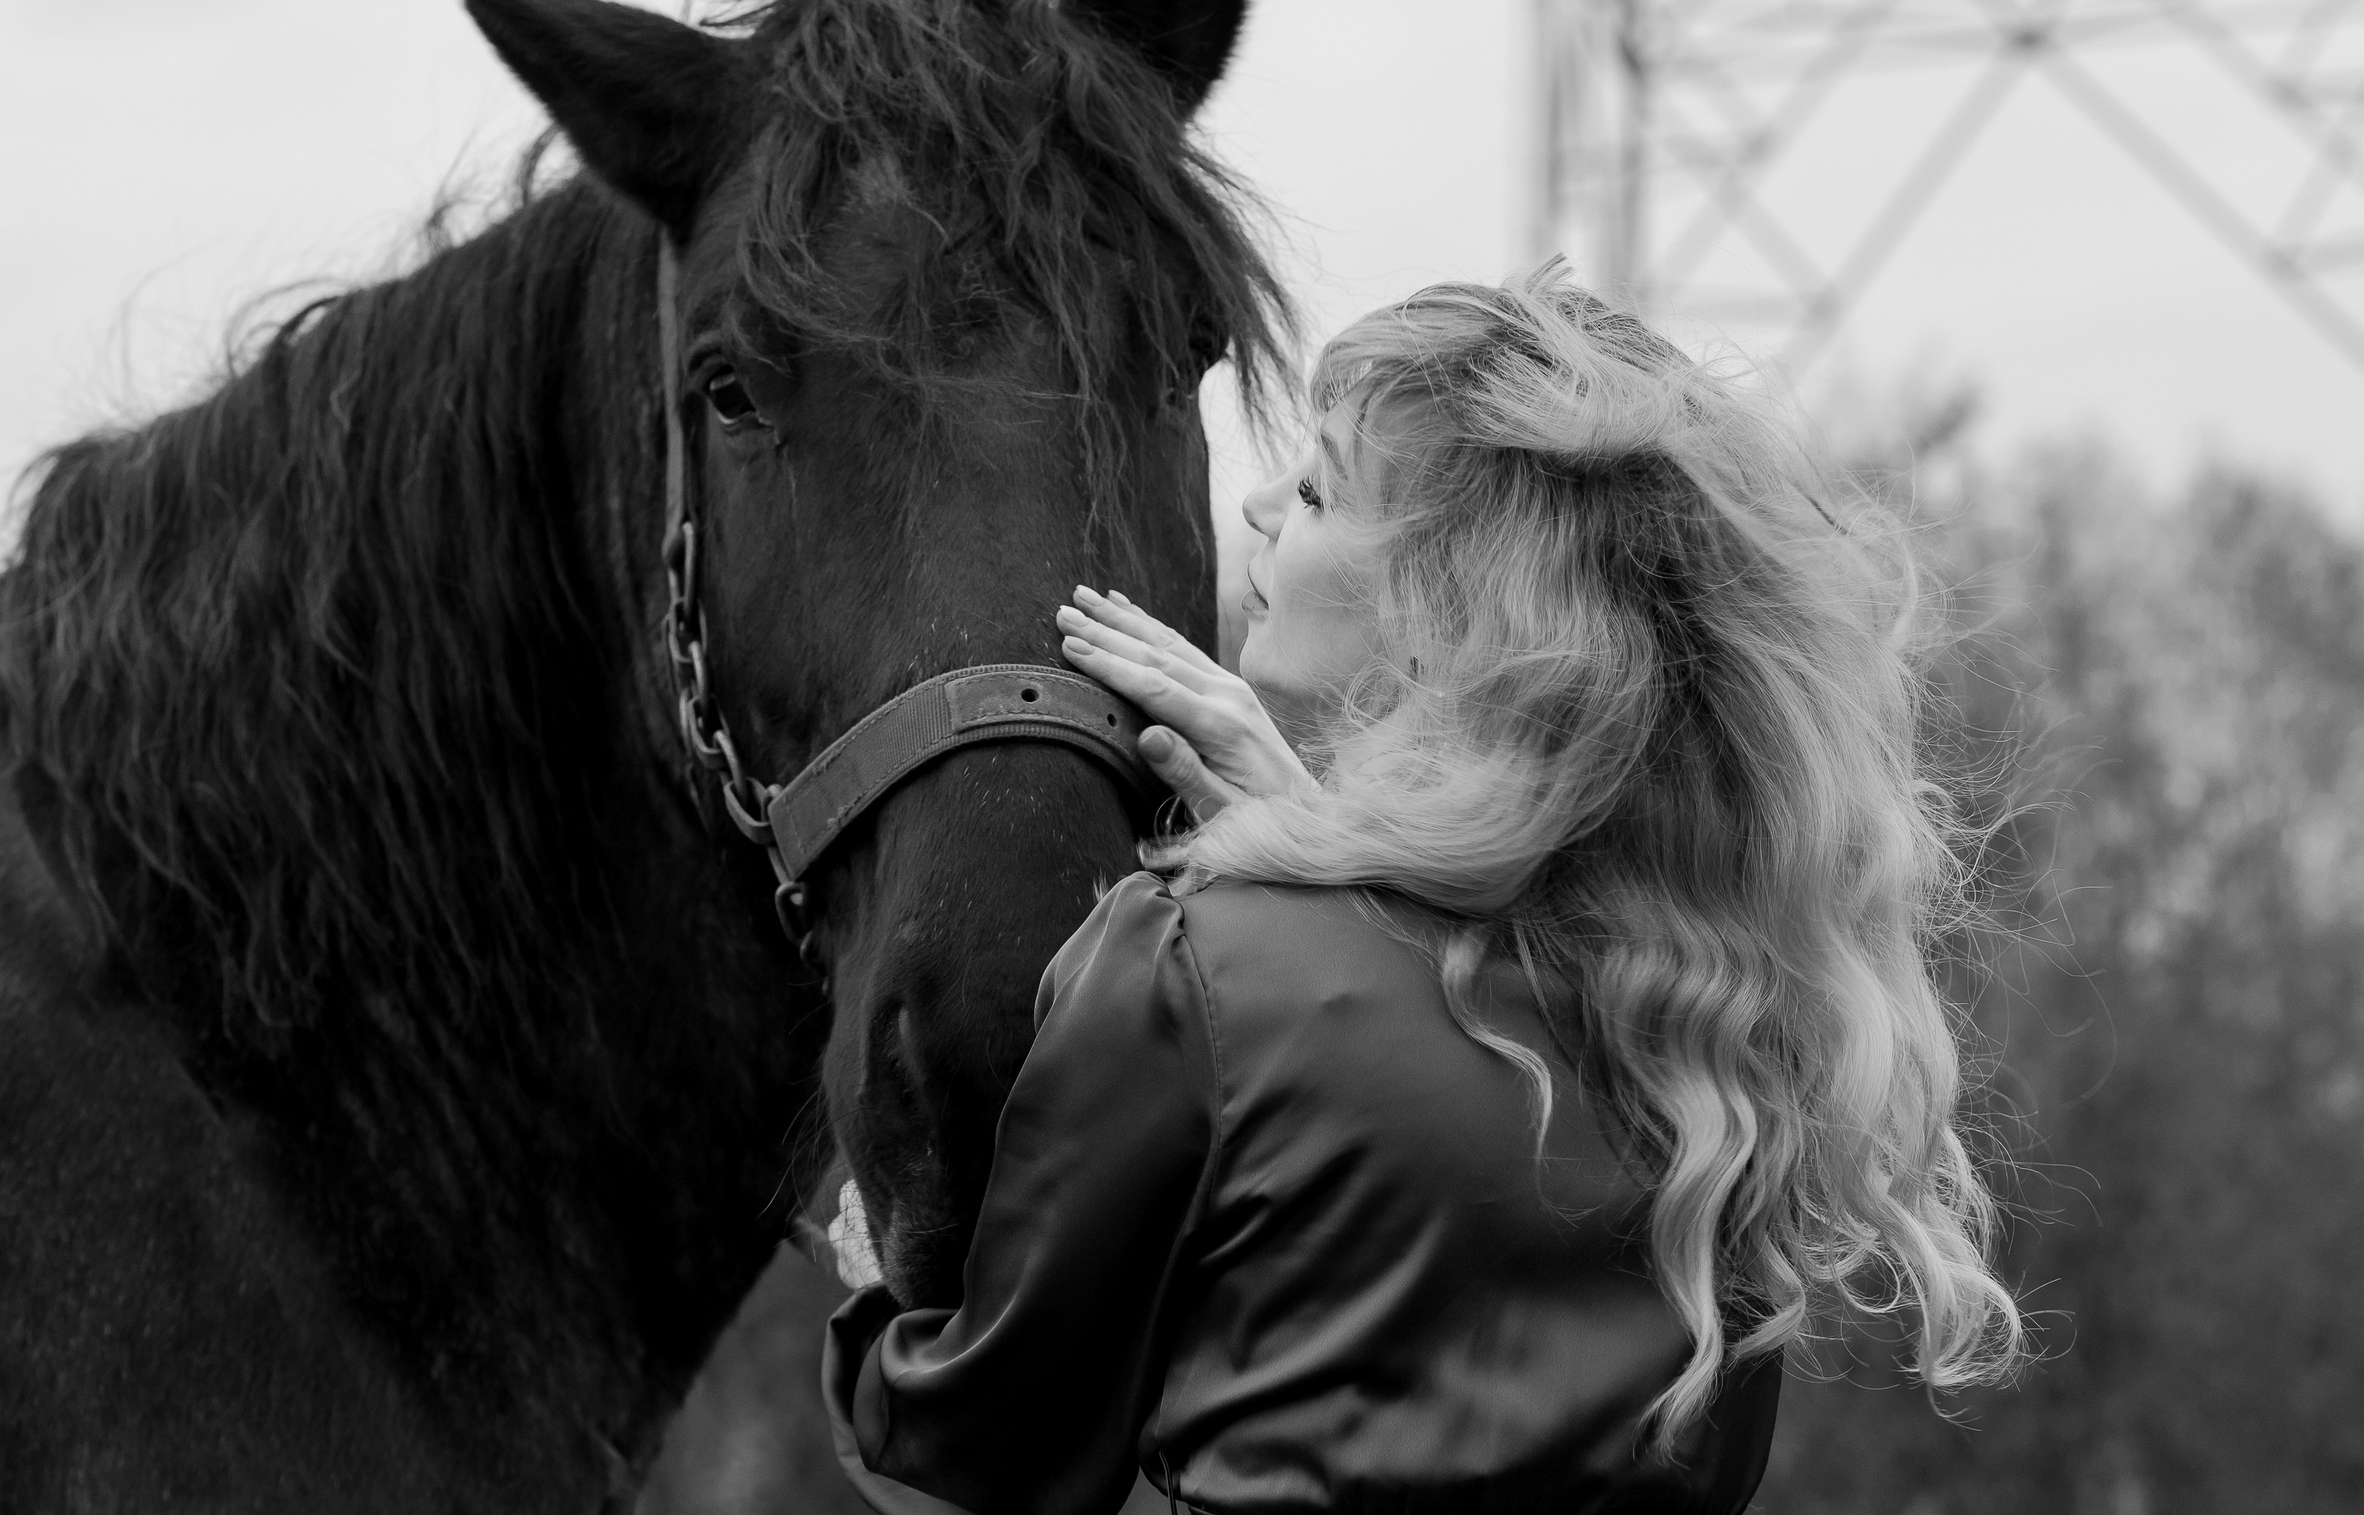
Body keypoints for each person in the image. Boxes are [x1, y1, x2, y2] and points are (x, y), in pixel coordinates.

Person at [821, 267, 2025, 1515]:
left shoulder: (1198, 969)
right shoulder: (1725, 1042)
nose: (1258, 502)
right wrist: (1318, 834)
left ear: (1442, 611)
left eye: (1318, 488)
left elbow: (983, 1460)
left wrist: (877, 1299)